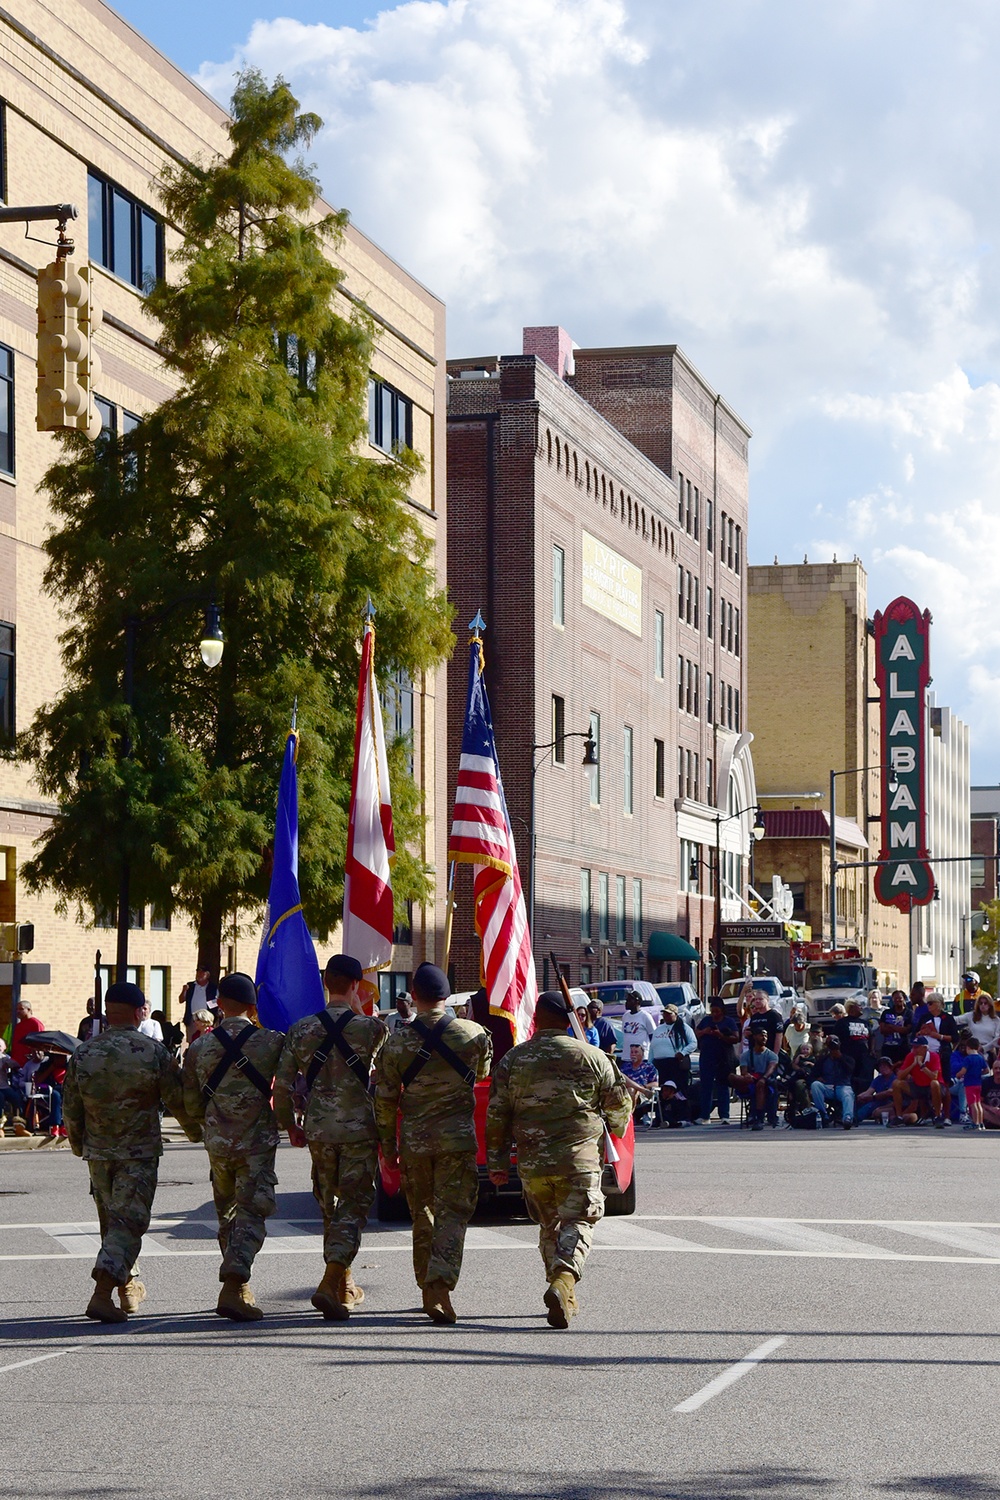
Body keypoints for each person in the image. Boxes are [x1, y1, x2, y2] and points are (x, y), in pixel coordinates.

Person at [486, 989, 631, 1329]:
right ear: (571, 1020)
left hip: (534, 1163)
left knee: (549, 1226)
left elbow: (497, 1115)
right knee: (579, 1220)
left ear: (535, 1019)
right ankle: (564, 1280)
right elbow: (619, 1115)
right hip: (578, 1159)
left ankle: (564, 1295)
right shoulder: (593, 1057)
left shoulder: (512, 1061)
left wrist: (496, 1164)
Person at [62, 981, 201, 1323]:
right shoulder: (153, 1052)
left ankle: (127, 1288)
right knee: (129, 1221)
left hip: (98, 1152)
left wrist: (79, 1143)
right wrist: (196, 1132)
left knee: (112, 1222)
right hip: (137, 1152)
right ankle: (102, 1291)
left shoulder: (83, 1052)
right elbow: (175, 1098)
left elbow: (71, 1107)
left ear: (108, 1012)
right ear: (140, 1012)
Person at [375, 962, 491, 1325]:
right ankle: (439, 1286)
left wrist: (388, 1148)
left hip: (415, 1142)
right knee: (453, 1214)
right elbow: (484, 1073)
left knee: (421, 1213)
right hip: (456, 1139)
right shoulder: (474, 1034)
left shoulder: (397, 1043)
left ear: (415, 995)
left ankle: (427, 1284)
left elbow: (384, 1100)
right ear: (446, 995)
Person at [275, 954, 387, 1322]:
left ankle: (344, 1282)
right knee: (352, 1207)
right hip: (358, 1129)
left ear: (326, 983)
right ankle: (331, 1279)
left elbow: (283, 1087)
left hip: (319, 1128)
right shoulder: (372, 1029)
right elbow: (386, 1085)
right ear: (355, 985)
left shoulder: (301, 1030)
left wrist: (290, 1124)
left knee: (329, 1207)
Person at [182, 972, 284, 1321]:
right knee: (252, 1213)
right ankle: (234, 1281)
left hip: (218, 1144)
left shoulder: (199, 1047)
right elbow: (283, 1087)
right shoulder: (271, 1041)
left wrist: (202, 1130)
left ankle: (237, 1287)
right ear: (254, 1007)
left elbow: (190, 1099)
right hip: (255, 1142)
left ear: (220, 1005)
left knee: (226, 1215)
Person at [695, 1000, 739, 1123]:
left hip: (723, 1058)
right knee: (706, 1086)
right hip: (707, 1057)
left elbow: (736, 1038)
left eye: (717, 1011)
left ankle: (724, 1115)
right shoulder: (706, 1021)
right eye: (712, 1011)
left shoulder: (729, 1021)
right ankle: (704, 1116)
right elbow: (696, 1032)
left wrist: (720, 1035)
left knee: (723, 1086)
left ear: (722, 1011)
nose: (714, 1014)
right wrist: (705, 1031)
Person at [913, 993, 959, 1102]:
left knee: (944, 1081)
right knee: (924, 1081)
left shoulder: (947, 1018)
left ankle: (946, 1113)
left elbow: (955, 1037)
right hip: (927, 1052)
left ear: (938, 1004)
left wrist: (939, 1036)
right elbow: (915, 1033)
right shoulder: (924, 1017)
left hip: (942, 1052)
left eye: (930, 1003)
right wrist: (921, 1032)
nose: (928, 1006)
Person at [734, 1026, 780, 1130]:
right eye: (761, 1035)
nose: (764, 1038)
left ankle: (759, 1118)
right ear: (754, 1037)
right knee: (732, 1077)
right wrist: (747, 1075)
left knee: (760, 1085)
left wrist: (763, 1078)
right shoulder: (746, 1055)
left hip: (765, 1083)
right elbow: (743, 1071)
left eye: (766, 1035)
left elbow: (771, 1069)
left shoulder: (772, 1055)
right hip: (750, 1081)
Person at [892, 1036, 945, 1127]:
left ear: (924, 1048)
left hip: (933, 1087)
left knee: (934, 1083)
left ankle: (938, 1116)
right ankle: (899, 1117)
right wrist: (913, 1065)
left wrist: (921, 1065)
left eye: (917, 1047)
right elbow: (900, 1076)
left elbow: (934, 1076)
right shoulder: (910, 1056)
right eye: (913, 1047)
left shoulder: (934, 1056)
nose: (914, 1050)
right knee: (896, 1083)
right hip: (918, 1086)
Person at [810, 1034, 856, 1130]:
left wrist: (840, 1058)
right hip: (827, 1086)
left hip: (842, 1086)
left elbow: (850, 1070)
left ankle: (847, 1118)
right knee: (815, 1085)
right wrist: (817, 1078)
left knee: (847, 1094)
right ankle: (823, 1115)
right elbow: (812, 1074)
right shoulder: (823, 1059)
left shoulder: (847, 1058)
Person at [649, 1006, 696, 1096]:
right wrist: (650, 1063)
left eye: (669, 1014)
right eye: (664, 1013)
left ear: (676, 1014)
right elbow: (652, 1047)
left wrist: (683, 1052)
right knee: (662, 1090)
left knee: (676, 1090)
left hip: (675, 1064)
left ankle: (678, 1108)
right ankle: (663, 1109)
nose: (666, 1016)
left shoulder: (684, 1028)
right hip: (659, 1064)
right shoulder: (658, 1029)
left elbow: (693, 1043)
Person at [833, 1000, 874, 1091]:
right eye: (859, 1005)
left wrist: (872, 1051)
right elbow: (836, 1038)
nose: (861, 1008)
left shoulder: (865, 1023)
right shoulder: (842, 1023)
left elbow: (871, 1037)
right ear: (851, 1008)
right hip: (848, 1058)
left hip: (864, 1058)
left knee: (864, 1083)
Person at [953, 1035, 989, 1132]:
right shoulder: (980, 1058)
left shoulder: (968, 1059)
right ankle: (981, 1123)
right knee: (978, 1104)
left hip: (970, 1084)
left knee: (972, 1104)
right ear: (978, 1047)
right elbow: (986, 1070)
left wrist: (958, 1075)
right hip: (978, 1083)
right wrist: (978, 1073)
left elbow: (963, 1071)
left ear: (968, 1048)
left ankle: (975, 1123)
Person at [619, 1043, 660, 1126]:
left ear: (642, 1054)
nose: (633, 1054)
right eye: (632, 1052)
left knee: (632, 1090)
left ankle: (629, 1117)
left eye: (636, 1052)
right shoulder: (625, 1067)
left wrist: (644, 1087)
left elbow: (655, 1083)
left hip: (643, 1094)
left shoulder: (649, 1067)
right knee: (630, 1090)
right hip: (624, 1092)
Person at [179, 967, 218, 1041]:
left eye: (202, 973)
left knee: (208, 1040)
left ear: (207, 975)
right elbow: (181, 1000)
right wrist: (184, 990)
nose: (199, 974)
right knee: (192, 1040)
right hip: (193, 1020)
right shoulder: (190, 986)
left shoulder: (213, 988)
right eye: (198, 972)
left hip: (206, 1020)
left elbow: (218, 1002)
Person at [855, 1058, 897, 1125]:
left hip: (890, 1102)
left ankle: (855, 1119)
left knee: (871, 1106)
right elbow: (869, 1091)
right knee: (861, 1102)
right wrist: (860, 1096)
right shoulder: (878, 1079)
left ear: (890, 1067)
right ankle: (849, 1118)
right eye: (881, 1066)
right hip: (878, 1101)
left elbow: (889, 1092)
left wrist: (873, 1097)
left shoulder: (894, 1078)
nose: (883, 1068)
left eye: (885, 1066)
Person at [620, 991, 656, 1058]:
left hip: (641, 1057)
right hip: (626, 1057)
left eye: (630, 1000)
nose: (626, 1002)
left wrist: (652, 1054)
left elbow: (653, 1036)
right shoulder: (625, 1016)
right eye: (626, 1000)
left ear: (637, 1002)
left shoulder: (645, 1016)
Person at [879, 992, 912, 1065]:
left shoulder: (909, 1013)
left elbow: (907, 1030)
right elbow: (882, 1030)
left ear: (904, 999)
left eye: (900, 998)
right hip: (887, 1048)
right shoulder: (886, 1012)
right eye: (895, 998)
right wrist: (899, 1028)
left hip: (903, 1048)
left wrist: (891, 1026)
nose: (897, 1000)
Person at [11, 999, 44, 1068]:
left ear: (29, 1010)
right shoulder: (18, 1026)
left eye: (21, 1009)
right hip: (16, 1061)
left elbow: (39, 1043)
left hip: (29, 1062)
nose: (18, 1011)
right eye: (17, 1009)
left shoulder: (35, 1024)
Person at [981, 1059, 1000, 1129]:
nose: (998, 1071)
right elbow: (979, 1102)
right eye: (996, 1068)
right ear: (992, 1070)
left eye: (999, 1068)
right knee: (979, 1109)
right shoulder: (986, 1082)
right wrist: (991, 1108)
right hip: (989, 1113)